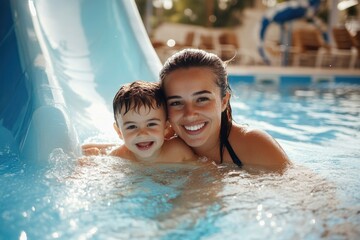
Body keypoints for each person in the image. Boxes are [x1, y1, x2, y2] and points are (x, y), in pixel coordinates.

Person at [159, 48, 290, 171]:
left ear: (224, 101)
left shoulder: (255, 146)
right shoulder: (157, 147)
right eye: (176, 102)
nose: (189, 114)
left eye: (202, 99)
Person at [82, 81, 197, 163]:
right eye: (132, 126)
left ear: (166, 126)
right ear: (119, 131)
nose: (142, 133)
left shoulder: (178, 152)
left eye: (151, 124)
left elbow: (200, 172)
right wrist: (91, 162)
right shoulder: (119, 157)